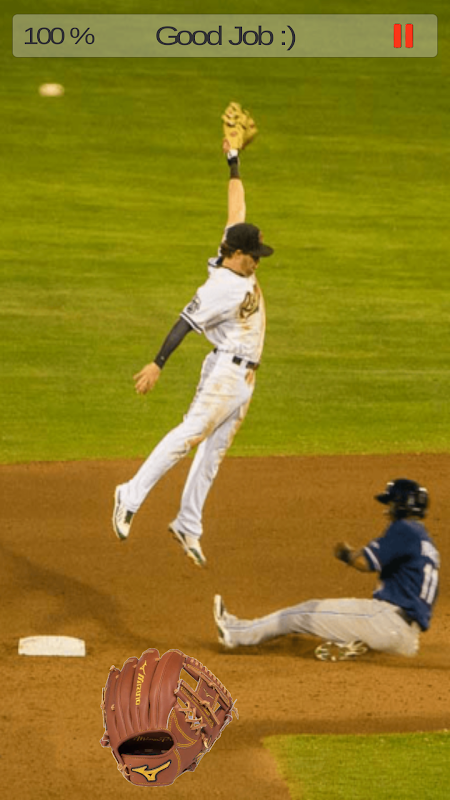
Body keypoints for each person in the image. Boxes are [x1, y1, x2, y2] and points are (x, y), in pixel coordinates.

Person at [112, 107, 274, 568]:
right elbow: (185, 320)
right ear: (236, 254)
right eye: (253, 256)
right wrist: (157, 363)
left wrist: (233, 160)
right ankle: (130, 493)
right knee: (190, 435)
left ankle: (188, 522)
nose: (258, 261)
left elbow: (237, 208)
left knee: (214, 452)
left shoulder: (233, 248)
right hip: (226, 371)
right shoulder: (221, 286)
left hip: (246, 378)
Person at [214, 479, 440, 660]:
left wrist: (346, 553)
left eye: (391, 503)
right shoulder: (428, 546)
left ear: (401, 505)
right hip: (407, 640)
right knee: (347, 620)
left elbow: (365, 562)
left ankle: (236, 633)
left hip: (385, 622)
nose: (387, 510)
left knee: (304, 612)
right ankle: (357, 646)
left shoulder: (404, 529)